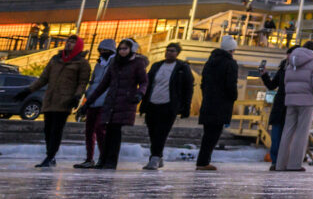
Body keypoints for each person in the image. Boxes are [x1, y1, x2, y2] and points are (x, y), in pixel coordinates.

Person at [17, 36, 91, 168]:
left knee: (56, 130)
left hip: (64, 101)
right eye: (68, 41)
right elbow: (43, 78)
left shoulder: (82, 63)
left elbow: (82, 82)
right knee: (48, 130)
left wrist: (77, 96)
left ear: (78, 45)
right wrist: (28, 90)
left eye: (73, 42)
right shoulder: (55, 60)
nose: (69, 44)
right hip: (50, 99)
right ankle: (50, 156)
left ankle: (50, 156)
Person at [82, 38, 149, 169]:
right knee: (107, 131)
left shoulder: (137, 64)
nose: (122, 51)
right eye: (120, 49)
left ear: (131, 50)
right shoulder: (114, 63)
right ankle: (103, 159)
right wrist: (88, 103)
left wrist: (139, 94)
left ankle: (111, 161)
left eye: (125, 49)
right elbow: (103, 85)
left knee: (115, 132)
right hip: (111, 101)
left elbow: (144, 81)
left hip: (125, 101)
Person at [139, 42, 194, 170]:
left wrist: (186, 107)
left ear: (177, 53)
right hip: (152, 103)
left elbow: (188, 88)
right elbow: (148, 83)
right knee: (152, 132)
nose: (169, 53)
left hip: (169, 105)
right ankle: (158, 156)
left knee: (161, 132)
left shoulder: (182, 68)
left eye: (172, 51)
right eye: (167, 50)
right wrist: (143, 104)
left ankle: (155, 158)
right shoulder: (157, 66)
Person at [273, 42, 313, 172]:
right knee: (301, 133)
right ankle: (294, 164)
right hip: (306, 101)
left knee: (287, 132)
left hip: (291, 101)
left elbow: (285, 82)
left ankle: (280, 164)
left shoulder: (291, 63)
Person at [72, 39, 119, 168]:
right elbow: (93, 81)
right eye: (100, 50)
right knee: (89, 130)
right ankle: (89, 158)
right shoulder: (99, 64)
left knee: (100, 129)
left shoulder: (115, 63)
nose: (102, 52)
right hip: (93, 100)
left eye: (105, 50)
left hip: (105, 101)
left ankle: (103, 157)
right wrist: (87, 98)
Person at [195, 36, 239, 171]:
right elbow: (230, 84)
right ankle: (203, 162)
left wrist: (208, 95)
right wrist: (233, 97)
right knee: (214, 134)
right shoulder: (230, 64)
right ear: (232, 50)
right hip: (222, 103)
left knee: (207, 133)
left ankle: (202, 160)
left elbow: (203, 83)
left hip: (209, 101)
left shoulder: (210, 62)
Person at [261, 54, 289, 168]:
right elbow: (272, 85)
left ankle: (282, 161)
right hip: (280, 106)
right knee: (277, 136)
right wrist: (264, 75)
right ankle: (275, 161)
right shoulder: (283, 69)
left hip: (289, 106)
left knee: (284, 137)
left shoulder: (297, 69)